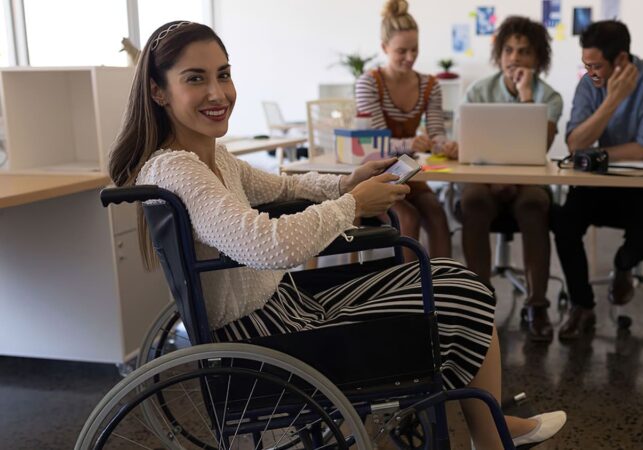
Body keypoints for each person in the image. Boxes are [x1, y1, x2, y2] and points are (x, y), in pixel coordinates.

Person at [108, 21, 566, 448]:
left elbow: (285, 185)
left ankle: (489, 430)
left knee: (455, 279)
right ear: (158, 91)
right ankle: (489, 433)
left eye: (223, 74)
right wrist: (353, 206)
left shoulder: (210, 157)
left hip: (283, 307)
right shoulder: (179, 169)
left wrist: (346, 182)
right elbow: (268, 244)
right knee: (456, 292)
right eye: (195, 78)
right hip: (268, 332)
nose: (218, 92)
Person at [551, 20, 643, 340]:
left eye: (596, 66)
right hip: (600, 185)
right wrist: (611, 101)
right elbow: (575, 144)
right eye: (586, 65)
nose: (591, 73)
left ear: (621, 60)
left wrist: (595, 152)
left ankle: (623, 266)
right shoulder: (589, 85)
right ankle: (582, 305)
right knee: (565, 223)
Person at [455, 16, 563, 341]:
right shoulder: (478, 91)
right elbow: (469, 149)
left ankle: (537, 304)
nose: (514, 58)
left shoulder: (551, 97)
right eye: (509, 50)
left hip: (528, 185)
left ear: (538, 59)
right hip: (483, 182)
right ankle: (480, 302)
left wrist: (527, 95)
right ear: (499, 55)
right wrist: (493, 177)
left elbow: (539, 146)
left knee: (533, 204)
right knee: (472, 201)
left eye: (524, 52)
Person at [355, 0, 455, 261]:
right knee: (408, 218)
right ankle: (410, 294)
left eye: (415, 49)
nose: (410, 57)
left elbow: (436, 134)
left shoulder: (430, 85)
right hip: (374, 173)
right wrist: (411, 143)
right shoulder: (368, 83)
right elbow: (375, 144)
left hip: (409, 171)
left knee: (437, 214)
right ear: (384, 48)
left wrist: (446, 146)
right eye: (401, 51)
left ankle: (442, 287)